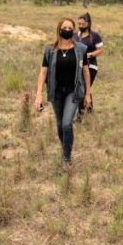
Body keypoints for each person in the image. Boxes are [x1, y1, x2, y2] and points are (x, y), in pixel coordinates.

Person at [34, 17, 92, 169]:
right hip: (56, 92)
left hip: (73, 92)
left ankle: (67, 158)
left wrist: (87, 94)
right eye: (64, 27)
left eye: (70, 28)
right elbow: (43, 72)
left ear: (74, 31)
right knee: (60, 124)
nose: (67, 30)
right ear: (59, 29)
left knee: (67, 124)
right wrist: (39, 94)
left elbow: (86, 70)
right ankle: (65, 147)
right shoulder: (50, 50)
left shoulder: (80, 49)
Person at [74, 13, 104, 116]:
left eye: (83, 24)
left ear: (88, 23)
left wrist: (89, 55)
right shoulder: (75, 35)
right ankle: (90, 109)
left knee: (83, 89)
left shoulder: (94, 36)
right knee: (84, 88)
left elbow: (100, 50)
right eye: (79, 24)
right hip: (78, 67)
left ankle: (80, 115)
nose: (81, 26)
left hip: (91, 66)